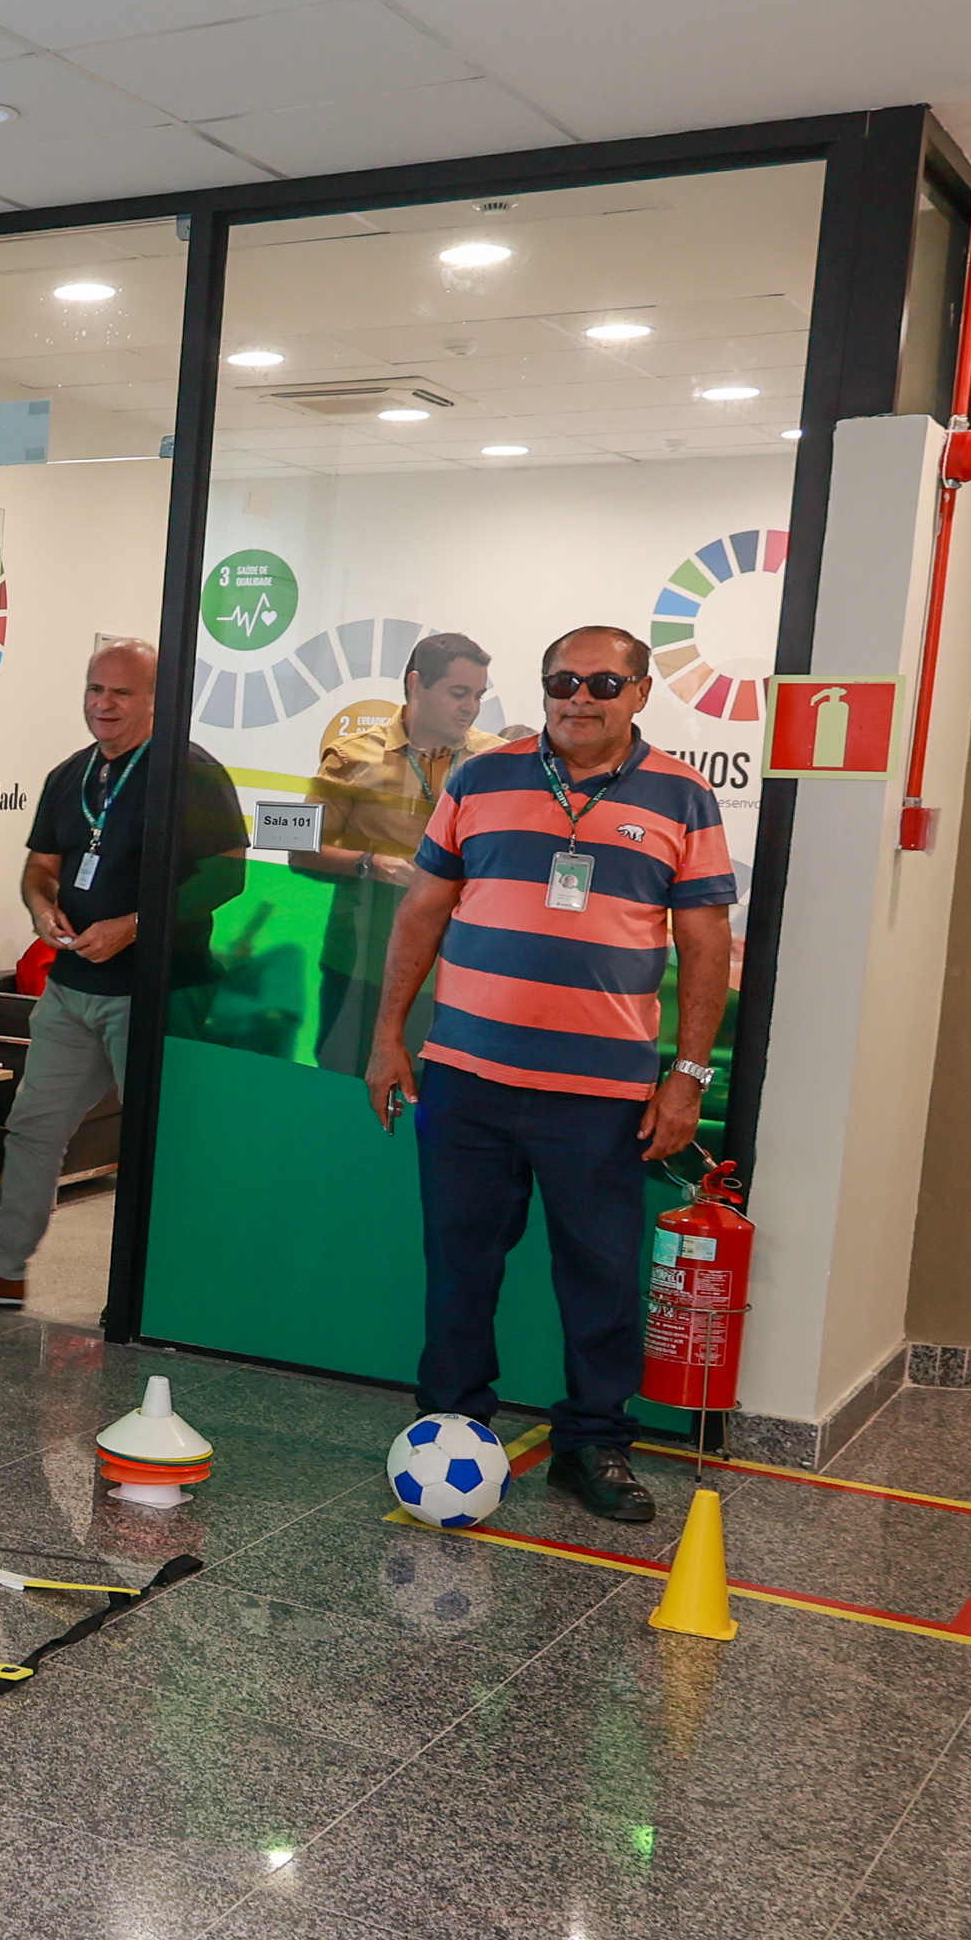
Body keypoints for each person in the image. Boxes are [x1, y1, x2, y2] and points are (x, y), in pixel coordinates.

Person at [367, 625, 735, 1523]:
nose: (580, 697)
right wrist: (388, 1035)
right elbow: (423, 910)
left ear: (640, 692)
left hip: (601, 1094)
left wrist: (686, 1077)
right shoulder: (480, 779)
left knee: (600, 1274)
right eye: (562, 680)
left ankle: (593, 1443)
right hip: (467, 1078)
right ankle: (451, 1424)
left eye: (604, 683)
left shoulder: (683, 796)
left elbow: (705, 944)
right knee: (459, 1263)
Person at [0, 639, 246, 1309]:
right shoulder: (71, 774)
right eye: (96, 689)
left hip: (158, 991)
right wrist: (42, 910)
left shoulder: (192, 773)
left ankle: (158, 1287)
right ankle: (4, 1269)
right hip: (72, 991)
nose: (104, 703)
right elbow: (41, 866)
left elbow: (227, 875)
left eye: (122, 692)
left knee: (163, 1140)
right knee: (34, 1127)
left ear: (157, 698)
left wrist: (135, 924)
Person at [292, 632, 504, 1075]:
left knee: (437, 1092)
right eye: (458, 693)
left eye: (478, 696)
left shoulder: (497, 762)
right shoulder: (352, 756)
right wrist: (369, 865)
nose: (470, 707)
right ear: (415, 684)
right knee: (344, 1083)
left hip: (456, 967)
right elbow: (301, 851)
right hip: (362, 963)